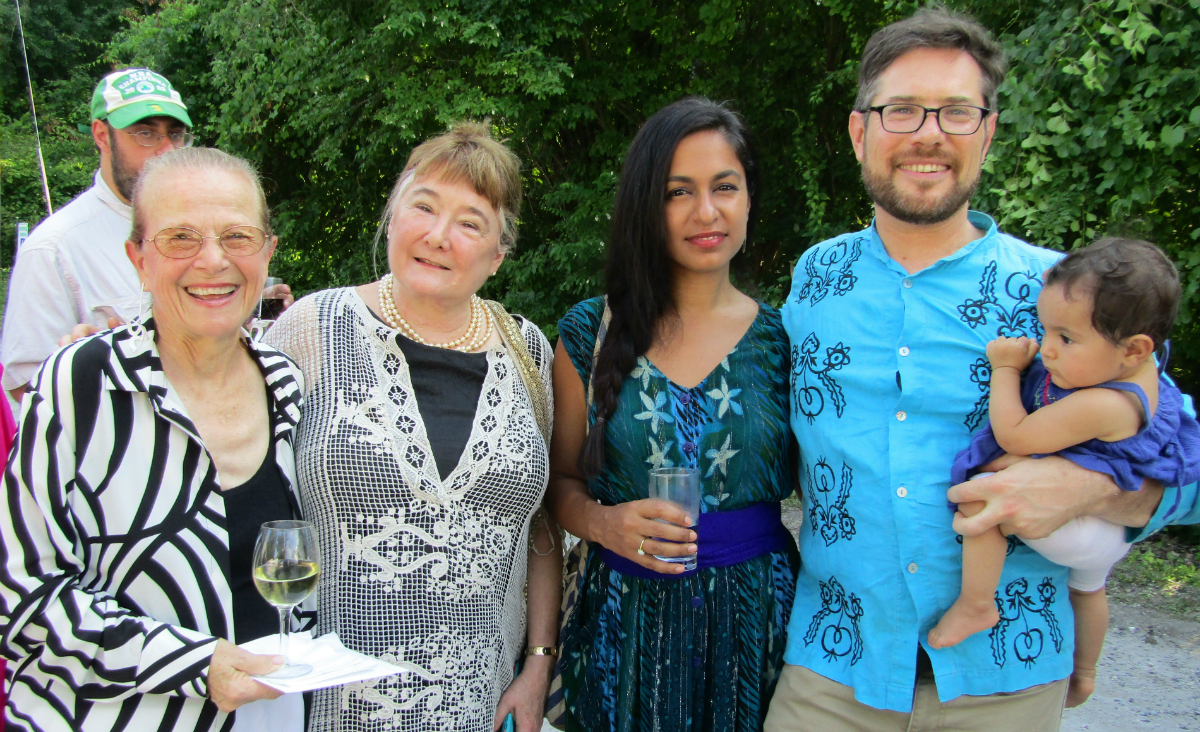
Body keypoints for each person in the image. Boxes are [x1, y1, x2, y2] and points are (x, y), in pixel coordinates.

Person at [763, 8, 1199, 732]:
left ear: (988, 132)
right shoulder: (816, 280)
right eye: (901, 109)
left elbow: (1183, 456)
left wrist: (1089, 486)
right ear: (858, 131)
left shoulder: (1064, 291)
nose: (928, 133)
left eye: (956, 112)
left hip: (1005, 685)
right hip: (834, 672)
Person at [263, 121, 561, 732]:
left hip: (482, 702)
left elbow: (543, 527)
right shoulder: (310, 330)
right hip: (330, 708)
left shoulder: (528, 351)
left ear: (497, 255)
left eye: (470, 222)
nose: (438, 235)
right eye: (423, 207)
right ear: (393, 216)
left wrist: (537, 666)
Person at [0, 147, 309, 731]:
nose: (213, 261)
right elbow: (19, 595)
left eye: (237, 236)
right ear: (137, 258)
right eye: (180, 238)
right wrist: (194, 664)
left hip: (269, 715)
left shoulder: (286, 384)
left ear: (267, 253)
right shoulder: (82, 383)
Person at [546, 97, 799, 731]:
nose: (705, 212)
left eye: (725, 187)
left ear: (749, 198)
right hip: (621, 625)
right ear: (646, 206)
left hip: (758, 623)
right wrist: (604, 526)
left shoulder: (787, 339)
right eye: (677, 191)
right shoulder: (589, 331)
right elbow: (559, 485)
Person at [933, 238, 1200, 707]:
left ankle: (976, 604)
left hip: (1084, 529)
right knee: (1089, 588)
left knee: (984, 496)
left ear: (1135, 348)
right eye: (1046, 331)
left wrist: (1006, 370)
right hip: (1104, 542)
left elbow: (1015, 434)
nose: (1047, 351)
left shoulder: (1103, 402)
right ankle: (1085, 672)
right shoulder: (1140, 375)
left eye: (1066, 338)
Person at [0, 68, 292, 403]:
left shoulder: (214, 233)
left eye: (176, 134)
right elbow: (24, 385)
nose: (167, 149)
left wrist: (257, 315)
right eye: (145, 134)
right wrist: (93, 361)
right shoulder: (54, 248)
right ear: (100, 134)